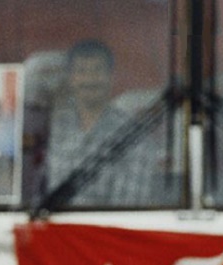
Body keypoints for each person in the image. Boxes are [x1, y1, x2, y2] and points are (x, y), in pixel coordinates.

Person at [46, 39, 163, 206]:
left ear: (111, 77)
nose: (89, 79)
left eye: (97, 70)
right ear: (70, 78)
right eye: (81, 71)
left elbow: (125, 212)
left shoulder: (134, 140)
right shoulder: (55, 128)